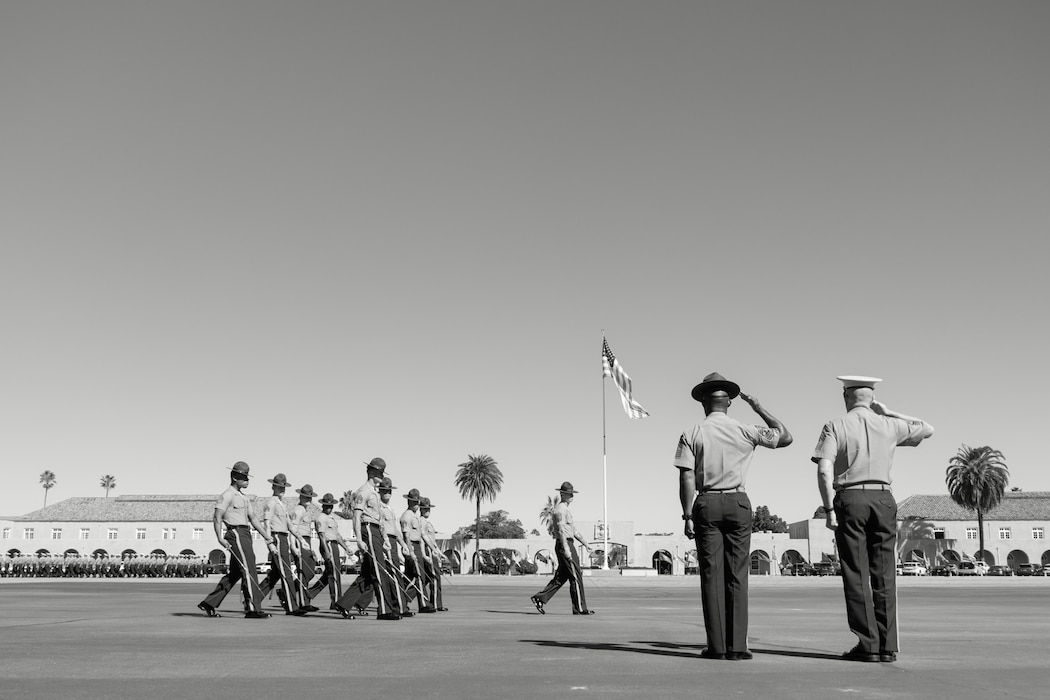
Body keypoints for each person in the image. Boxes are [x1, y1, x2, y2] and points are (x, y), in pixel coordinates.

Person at [813, 375, 934, 663]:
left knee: (856, 572)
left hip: (850, 498)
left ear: (846, 397)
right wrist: (889, 412)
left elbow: (823, 469)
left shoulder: (835, 425)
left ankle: (868, 644)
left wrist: (828, 508)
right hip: (883, 499)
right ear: (871, 398)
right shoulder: (889, 425)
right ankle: (887, 646)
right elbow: (927, 429)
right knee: (884, 572)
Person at [674, 372, 792, 660]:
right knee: (738, 575)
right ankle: (738, 646)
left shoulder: (692, 433)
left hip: (707, 503)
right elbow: (785, 437)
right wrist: (758, 407)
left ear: (704, 402)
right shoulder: (746, 429)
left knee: (711, 575)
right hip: (739, 502)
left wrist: (687, 514)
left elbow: (686, 476)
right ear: (729, 402)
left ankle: (716, 646)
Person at [198, 461, 273, 619]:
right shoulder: (227, 495)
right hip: (236, 533)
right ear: (234, 477)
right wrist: (219, 538)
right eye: (243, 477)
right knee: (249, 569)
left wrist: (267, 537)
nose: (247, 480)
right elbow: (217, 517)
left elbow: (253, 518)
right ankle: (253, 608)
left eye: (247, 477)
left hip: (245, 533)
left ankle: (209, 603)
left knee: (235, 574)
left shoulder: (243, 497)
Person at [334, 458, 402, 620]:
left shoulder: (374, 494)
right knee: (379, 571)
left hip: (376, 530)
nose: (381, 476)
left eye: (382, 473)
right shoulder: (363, 492)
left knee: (367, 573)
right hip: (368, 530)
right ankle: (385, 610)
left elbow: (379, 520)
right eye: (379, 472)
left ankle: (344, 604)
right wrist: (358, 538)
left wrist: (385, 538)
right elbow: (356, 517)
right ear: (371, 472)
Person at [530, 482, 594, 616]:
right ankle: (580, 608)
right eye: (569, 494)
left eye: (572, 494)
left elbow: (572, 529)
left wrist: (585, 543)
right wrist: (566, 548)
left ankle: (540, 598)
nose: (572, 496)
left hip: (568, 542)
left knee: (562, 576)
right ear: (562, 494)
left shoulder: (566, 509)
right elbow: (560, 530)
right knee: (576, 576)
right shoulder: (560, 510)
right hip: (565, 544)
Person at [258, 473, 308, 615]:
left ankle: (252, 599)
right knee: (286, 572)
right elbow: (266, 524)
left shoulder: (282, 504)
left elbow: (290, 526)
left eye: (283, 487)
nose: (282, 489)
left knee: (275, 575)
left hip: (284, 537)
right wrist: (269, 543)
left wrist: (300, 539)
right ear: (273, 486)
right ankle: (292, 607)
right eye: (279, 486)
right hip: (277, 538)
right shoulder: (271, 503)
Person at [307, 493, 355, 609]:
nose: (329, 508)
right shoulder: (321, 518)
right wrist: (326, 550)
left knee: (328, 575)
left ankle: (308, 594)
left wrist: (346, 548)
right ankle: (337, 601)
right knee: (334, 574)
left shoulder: (331, 518)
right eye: (327, 506)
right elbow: (322, 536)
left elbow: (337, 535)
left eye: (331, 506)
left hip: (334, 545)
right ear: (323, 506)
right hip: (327, 545)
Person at [378, 477, 416, 617]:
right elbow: (381, 528)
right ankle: (399, 607)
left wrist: (403, 545)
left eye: (389, 491)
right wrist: (385, 543)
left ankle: (400, 607)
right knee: (392, 575)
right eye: (384, 491)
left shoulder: (390, 509)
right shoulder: (379, 507)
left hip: (393, 541)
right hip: (385, 542)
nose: (387, 493)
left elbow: (395, 529)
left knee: (395, 576)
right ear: (379, 491)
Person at [400, 488, 434, 613]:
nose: (416, 505)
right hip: (412, 547)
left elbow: (421, 535)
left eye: (417, 502)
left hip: (417, 546)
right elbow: (406, 536)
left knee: (409, 577)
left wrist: (429, 550)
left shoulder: (415, 517)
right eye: (414, 502)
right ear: (408, 502)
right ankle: (423, 604)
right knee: (419, 576)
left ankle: (399, 599)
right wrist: (411, 551)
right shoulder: (406, 517)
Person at [290, 484, 320, 613]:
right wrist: (293, 546)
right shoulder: (298, 510)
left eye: (310, 497)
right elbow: (293, 528)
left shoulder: (305, 510)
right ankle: (303, 602)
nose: (308, 499)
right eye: (305, 496)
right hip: (299, 540)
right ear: (300, 496)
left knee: (310, 571)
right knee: (303, 571)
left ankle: (290, 591)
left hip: (306, 541)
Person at [420, 497, 448, 611]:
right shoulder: (421, 521)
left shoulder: (428, 522)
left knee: (427, 579)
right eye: (425, 508)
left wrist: (440, 552)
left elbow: (432, 540)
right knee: (435, 578)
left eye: (428, 508)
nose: (427, 510)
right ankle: (436, 604)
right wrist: (428, 552)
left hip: (432, 550)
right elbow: (423, 537)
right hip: (428, 551)